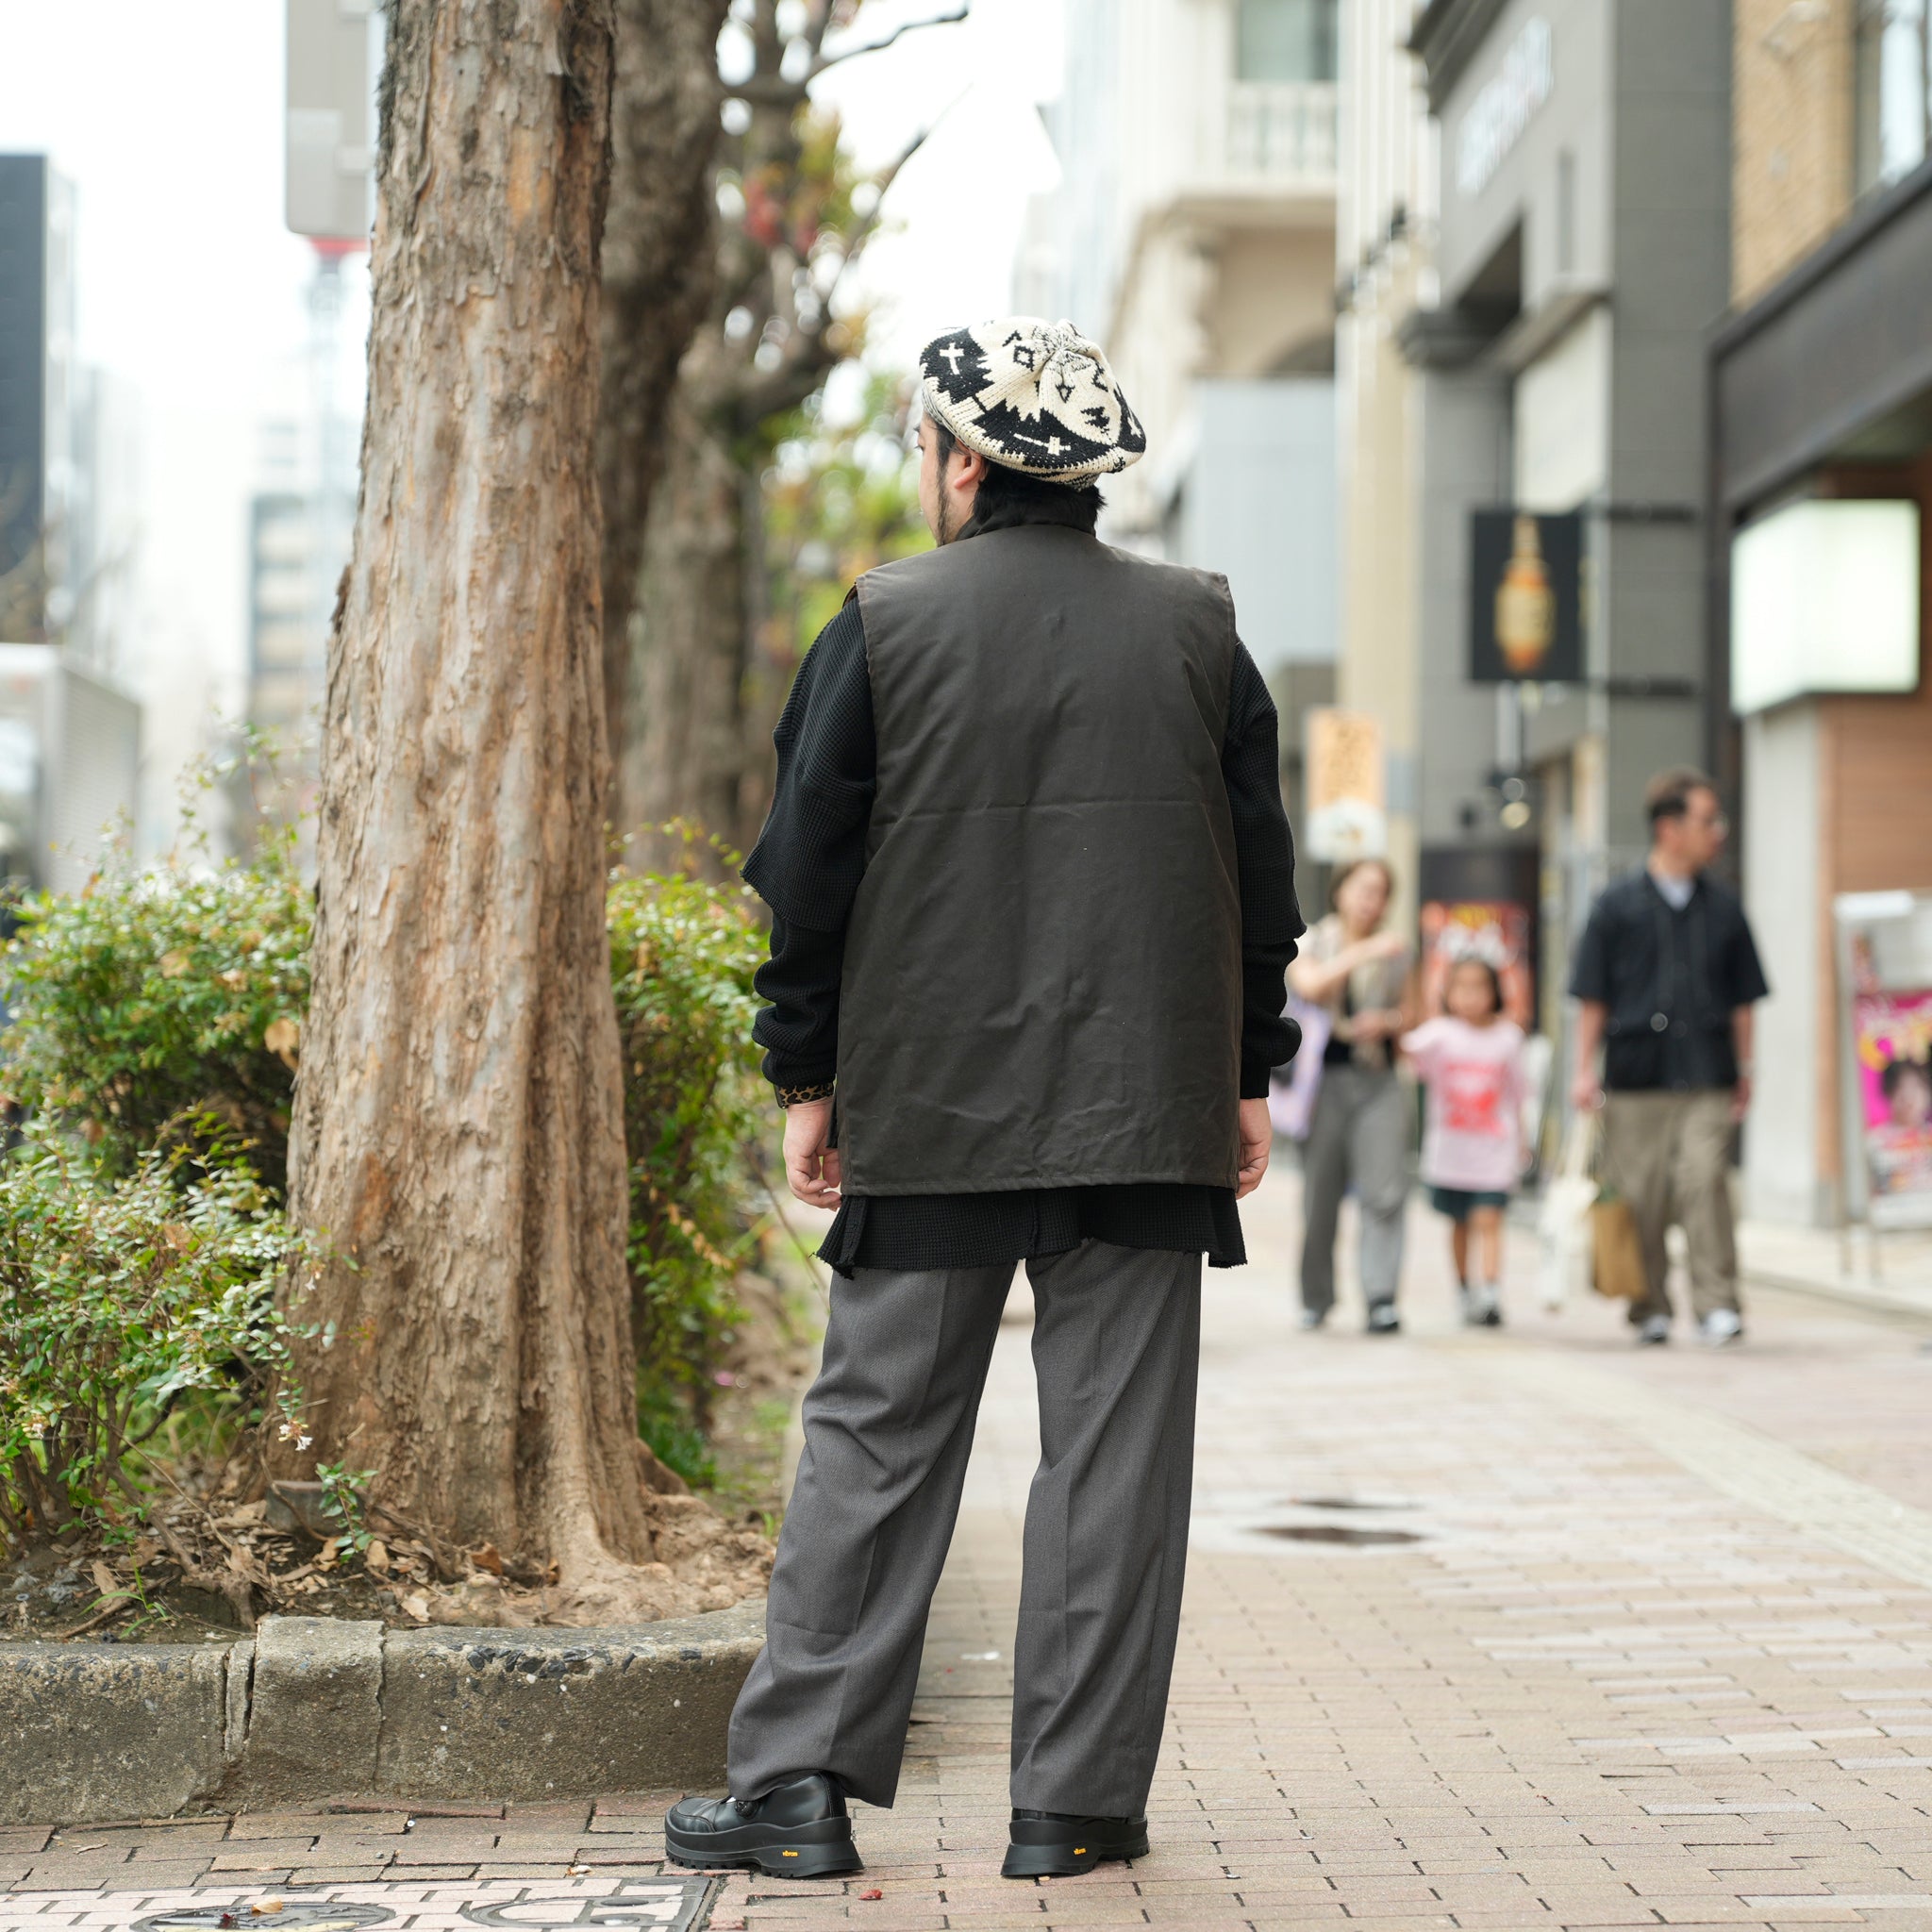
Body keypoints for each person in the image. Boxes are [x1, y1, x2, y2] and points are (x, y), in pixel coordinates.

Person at [663, 318, 1303, 1883]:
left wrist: (802, 1075)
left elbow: (804, 883)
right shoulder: (1200, 632)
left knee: (873, 1437)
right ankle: (1071, 1805)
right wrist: (1242, 1069)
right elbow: (1259, 886)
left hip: (929, 1103)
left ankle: (797, 1788)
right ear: (1086, 475)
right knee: (1113, 1451)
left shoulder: (878, 622)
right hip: (1148, 1106)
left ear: (959, 463)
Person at [1569, 767, 1770, 1345]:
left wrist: (1747, 1068)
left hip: (1709, 1073)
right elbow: (1593, 997)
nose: (1719, 833)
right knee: (1642, 1194)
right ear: (1670, 828)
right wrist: (1584, 1070)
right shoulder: (1616, 906)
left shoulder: (1726, 908)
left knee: (1704, 1181)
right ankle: (1649, 1305)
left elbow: (1743, 1001)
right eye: (1709, 821)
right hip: (1635, 1079)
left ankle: (1716, 1304)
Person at [1289, 858, 1417, 1333]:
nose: (1372, 900)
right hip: (1321, 1086)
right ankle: (1316, 1298)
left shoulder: (1397, 951)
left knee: (1385, 1192)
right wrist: (1362, 954)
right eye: (1364, 889)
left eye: (1381, 892)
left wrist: (1387, 1022)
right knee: (1319, 1198)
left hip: (1378, 1079)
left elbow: (1413, 1013)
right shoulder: (1312, 941)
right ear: (1340, 891)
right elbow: (1310, 985)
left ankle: (1381, 1297)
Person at [1401, 957, 1526, 1327]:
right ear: (1448, 993)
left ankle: (1489, 1293)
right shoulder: (1439, 1035)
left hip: (1494, 1151)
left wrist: (1523, 1140)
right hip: (1451, 1152)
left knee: (1489, 1218)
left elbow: (1519, 1095)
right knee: (1458, 1223)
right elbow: (1407, 1049)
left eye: (1480, 987)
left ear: (1495, 993)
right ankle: (1462, 1289)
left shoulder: (1509, 1039)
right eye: (1462, 987)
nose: (1471, 996)